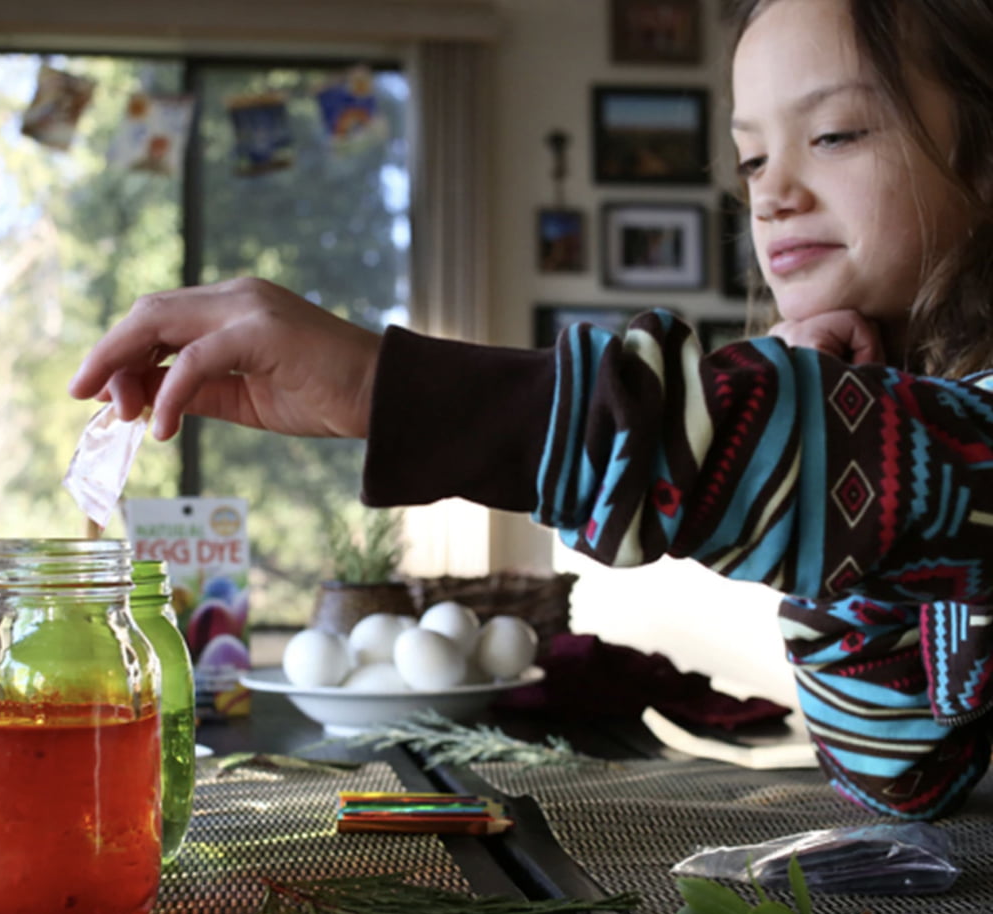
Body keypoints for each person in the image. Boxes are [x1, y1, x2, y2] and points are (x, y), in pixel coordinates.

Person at [70, 0, 993, 820]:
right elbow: (897, 774)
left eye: (833, 134)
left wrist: (379, 387)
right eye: (751, 157)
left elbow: (887, 464)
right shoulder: (908, 441)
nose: (773, 192)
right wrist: (836, 440)